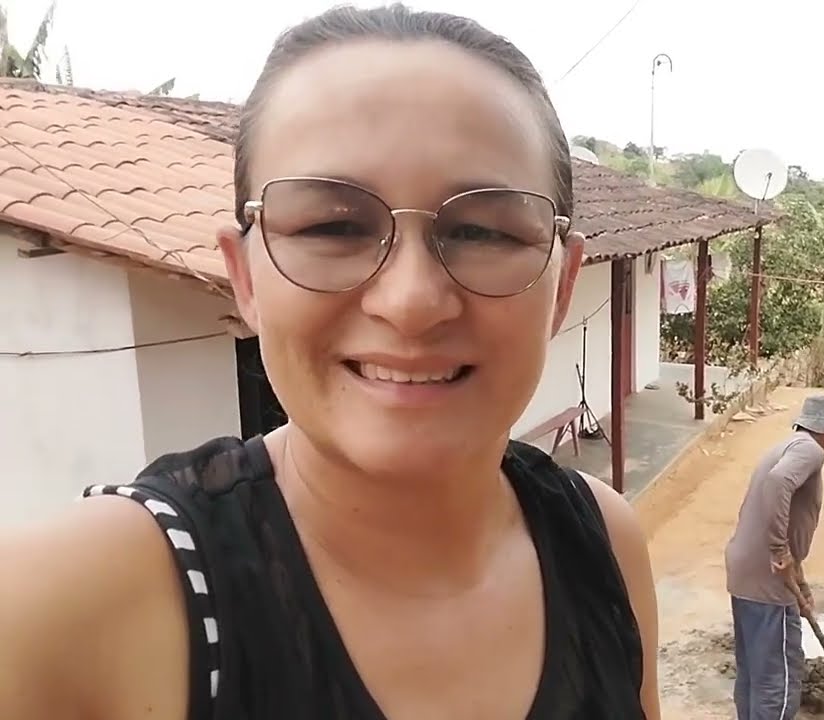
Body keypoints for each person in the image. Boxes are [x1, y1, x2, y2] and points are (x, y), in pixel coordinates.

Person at [0, 6, 660, 720]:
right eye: (333, 226)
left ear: (562, 284)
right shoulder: (65, 606)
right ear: (245, 277)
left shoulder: (602, 548)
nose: (411, 302)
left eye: (480, 232)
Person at [723, 393, 824, 720]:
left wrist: (801, 584)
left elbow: (789, 517)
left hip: (745, 574)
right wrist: (779, 550)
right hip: (767, 581)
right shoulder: (810, 450)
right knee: (778, 683)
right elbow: (778, 483)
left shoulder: (786, 446)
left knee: (753, 673)